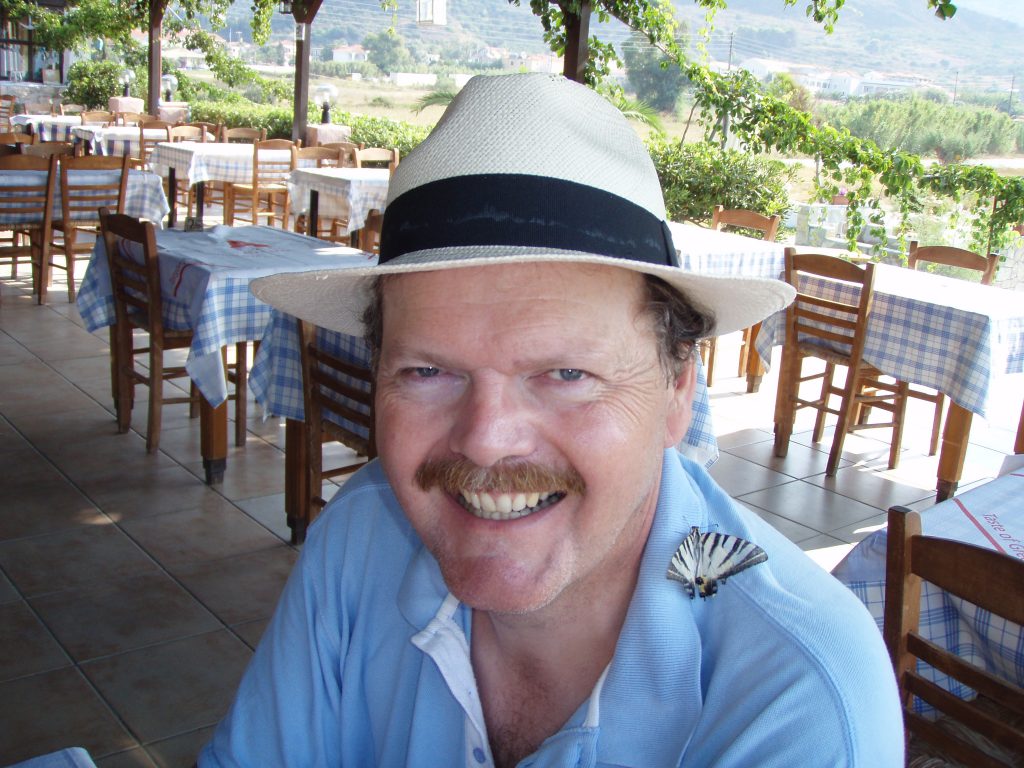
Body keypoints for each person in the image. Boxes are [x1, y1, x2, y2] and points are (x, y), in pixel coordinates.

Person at [200, 74, 903, 767]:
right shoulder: (359, 537)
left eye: (566, 374)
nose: (486, 437)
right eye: (427, 371)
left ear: (678, 388)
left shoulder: (798, 697)